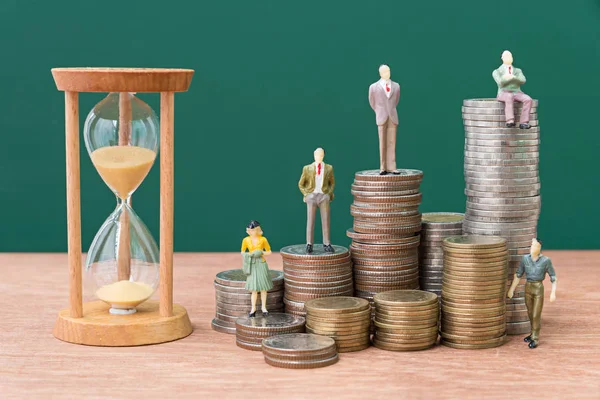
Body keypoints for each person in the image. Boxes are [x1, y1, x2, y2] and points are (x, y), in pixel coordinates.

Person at [507, 238, 557, 349]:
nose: (532, 248)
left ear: (539, 248)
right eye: (531, 245)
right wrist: (511, 289)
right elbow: (518, 274)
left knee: (536, 314)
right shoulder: (525, 259)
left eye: (534, 246)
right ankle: (532, 333)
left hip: (538, 288)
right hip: (528, 287)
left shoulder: (546, 261)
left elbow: (553, 276)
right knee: (530, 313)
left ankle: (535, 338)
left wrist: (553, 292)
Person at [298, 148, 335, 254]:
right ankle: (309, 244)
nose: (319, 157)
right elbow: (301, 184)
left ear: (324, 156)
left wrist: (328, 194)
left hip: (323, 196)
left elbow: (332, 182)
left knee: (326, 220)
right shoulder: (307, 168)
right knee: (310, 221)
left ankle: (327, 244)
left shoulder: (329, 168)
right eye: (317, 155)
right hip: (312, 196)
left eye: (321, 155)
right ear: (314, 155)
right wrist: (306, 194)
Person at [368, 64, 401, 175]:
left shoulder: (396, 86)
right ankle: (383, 167)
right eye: (384, 72)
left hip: (392, 116)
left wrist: (390, 110)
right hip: (381, 116)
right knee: (382, 142)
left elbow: (396, 100)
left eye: (388, 71)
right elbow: (372, 102)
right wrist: (379, 111)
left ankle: (392, 166)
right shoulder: (373, 87)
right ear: (380, 73)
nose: (387, 73)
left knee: (392, 142)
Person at [492, 50, 533, 129]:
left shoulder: (517, 71)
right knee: (509, 96)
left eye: (510, 56)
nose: (509, 58)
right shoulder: (497, 71)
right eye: (506, 56)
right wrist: (508, 78)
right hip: (503, 93)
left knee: (528, 99)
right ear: (502, 58)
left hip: (517, 92)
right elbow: (500, 83)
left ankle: (523, 122)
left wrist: (513, 77)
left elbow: (523, 80)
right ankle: (510, 120)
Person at [240, 220, 273, 317]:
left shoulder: (263, 239)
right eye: (250, 230)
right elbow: (242, 252)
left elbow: (269, 251)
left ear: (258, 230)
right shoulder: (245, 240)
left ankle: (263, 307)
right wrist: (249, 255)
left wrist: (261, 252)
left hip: (261, 264)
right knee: (254, 289)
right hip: (252, 265)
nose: (251, 232)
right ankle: (253, 308)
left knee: (263, 288)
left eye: (253, 230)